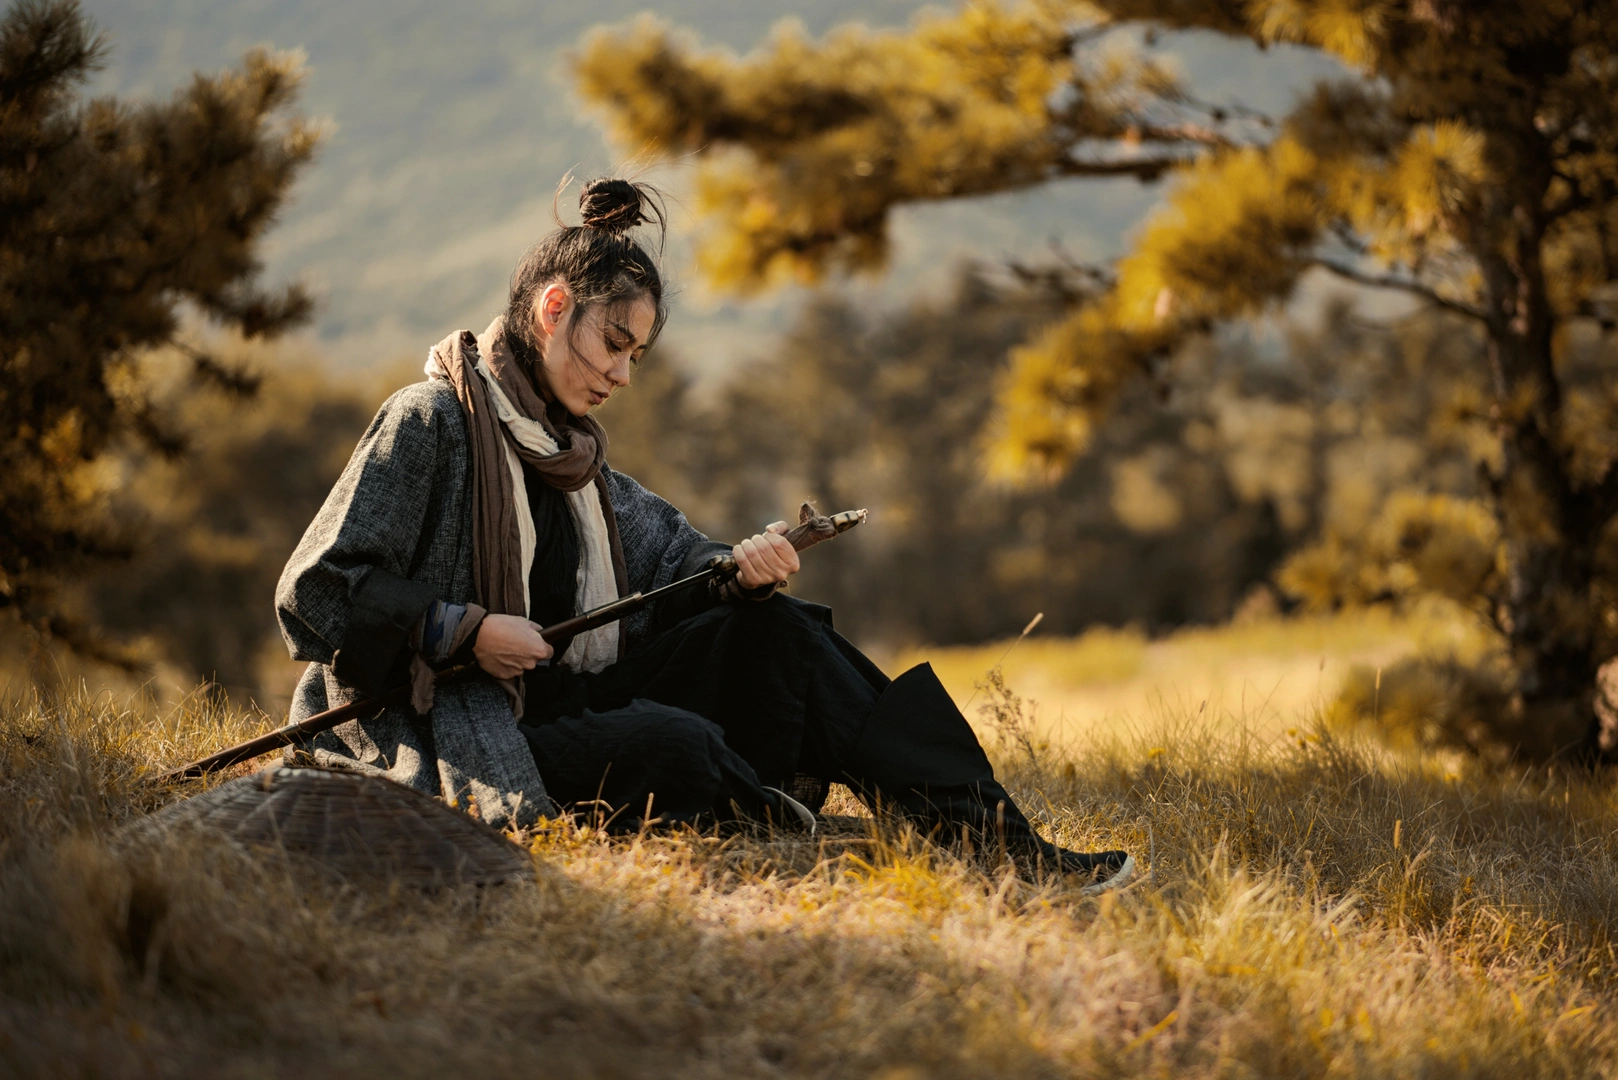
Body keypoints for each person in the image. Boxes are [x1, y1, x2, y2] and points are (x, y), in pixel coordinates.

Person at [274, 178, 1132, 890]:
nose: (619, 373)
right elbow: (315, 594)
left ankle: (994, 844)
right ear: (553, 305)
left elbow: (684, 566)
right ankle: (778, 823)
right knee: (672, 746)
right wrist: (459, 629)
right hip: (461, 722)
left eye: (635, 356)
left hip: (565, 706)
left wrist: (739, 570)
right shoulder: (428, 422)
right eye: (612, 343)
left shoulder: (582, 467)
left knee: (782, 631)